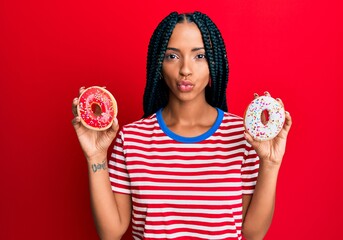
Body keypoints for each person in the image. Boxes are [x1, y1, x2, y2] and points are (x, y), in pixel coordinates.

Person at [72, 11, 292, 240]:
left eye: (199, 56)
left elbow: (254, 233)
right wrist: (96, 157)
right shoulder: (131, 139)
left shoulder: (243, 137)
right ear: (159, 65)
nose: (185, 69)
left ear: (214, 66)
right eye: (172, 56)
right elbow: (110, 233)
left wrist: (270, 163)